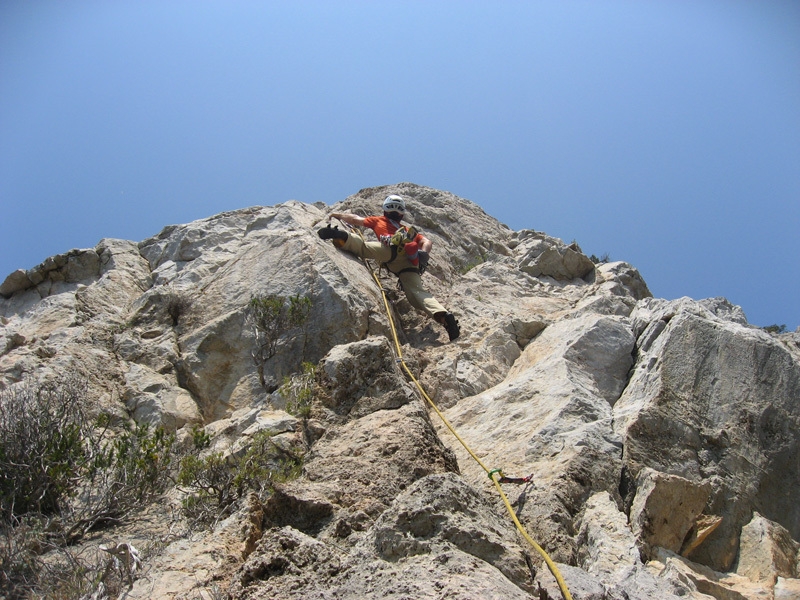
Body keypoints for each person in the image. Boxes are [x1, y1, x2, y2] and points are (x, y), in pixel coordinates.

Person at [318, 195, 461, 341]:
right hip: (409, 263)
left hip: (390, 250)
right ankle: (443, 315)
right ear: (401, 214)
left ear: (385, 209)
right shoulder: (406, 229)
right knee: (417, 293)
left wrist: (338, 215)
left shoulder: (378, 220)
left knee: (362, 247)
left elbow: (355, 219)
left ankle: (342, 237)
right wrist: (424, 253)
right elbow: (426, 241)